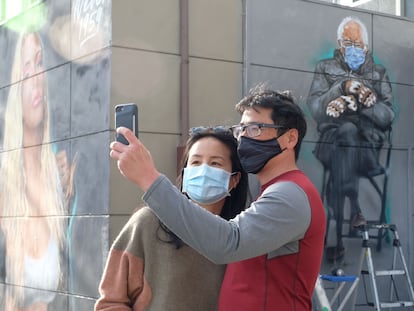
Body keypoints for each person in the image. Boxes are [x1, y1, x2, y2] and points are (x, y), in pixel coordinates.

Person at [109, 85, 326, 311]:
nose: (243, 138)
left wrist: (149, 178)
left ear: (290, 138)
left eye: (254, 129)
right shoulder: (276, 193)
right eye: (240, 130)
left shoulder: (290, 194)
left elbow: (229, 243)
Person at [95, 127, 248, 310]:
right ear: (184, 174)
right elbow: (111, 302)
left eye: (215, 163)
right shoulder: (149, 222)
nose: (203, 171)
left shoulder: (241, 236)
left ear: (234, 179)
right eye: (196, 162)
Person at [307, 16, 394, 261]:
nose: (353, 49)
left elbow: (387, 116)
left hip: (367, 148)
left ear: (365, 47)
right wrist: (342, 87)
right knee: (345, 133)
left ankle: (336, 236)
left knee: (348, 137)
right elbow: (315, 108)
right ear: (339, 43)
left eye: (357, 44)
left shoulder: (378, 73)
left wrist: (365, 104)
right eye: (347, 43)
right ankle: (355, 208)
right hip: (331, 142)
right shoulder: (325, 68)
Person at [0, 31, 76, 310]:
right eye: (25, 67)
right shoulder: (4, 180)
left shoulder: (61, 176)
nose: (34, 77)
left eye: (40, 62)